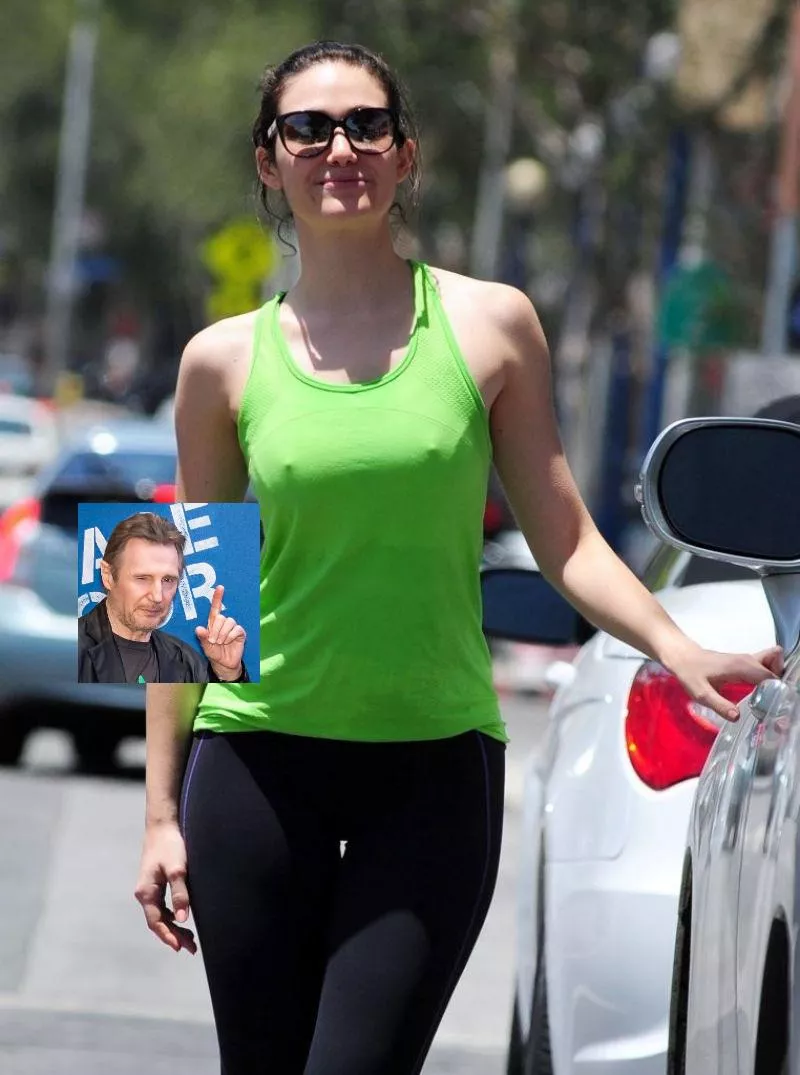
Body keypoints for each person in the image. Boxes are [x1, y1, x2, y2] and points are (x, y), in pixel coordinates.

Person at [134, 40, 784, 1075]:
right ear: (269, 161)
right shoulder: (217, 359)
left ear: (404, 156)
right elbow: (185, 590)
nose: (339, 149)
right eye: (308, 129)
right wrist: (161, 814)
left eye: (366, 126)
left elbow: (566, 536)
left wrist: (678, 645)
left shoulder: (492, 324)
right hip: (255, 764)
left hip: (431, 770)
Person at [79, 512, 249, 684]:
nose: (157, 596)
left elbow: (219, 701)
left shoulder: (187, 661)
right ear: (108, 576)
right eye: (142, 578)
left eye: (168, 580)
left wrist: (228, 675)